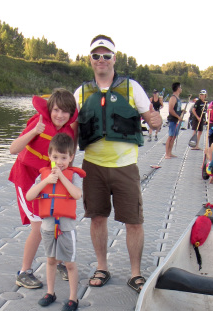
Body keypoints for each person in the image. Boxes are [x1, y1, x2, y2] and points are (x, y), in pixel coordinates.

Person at [74, 35, 162, 293]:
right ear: (90, 59)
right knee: (97, 218)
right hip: (93, 166)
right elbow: (66, 126)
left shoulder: (132, 87)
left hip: (125, 167)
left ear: (115, 58)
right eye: (96, 56)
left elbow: (153, 119)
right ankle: (102, 267)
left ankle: (135, 274)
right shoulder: (81, 92)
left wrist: (156, 121)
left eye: (106, 55)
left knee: (134, 221)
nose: (101, 60)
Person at [8, 89, 79, 290]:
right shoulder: (38, 123)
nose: (59, 115)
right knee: (38, 226)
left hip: (48, 180)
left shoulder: (67, 132)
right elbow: (13, 149)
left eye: (65, 112)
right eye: (56, 110)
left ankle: (57, 262)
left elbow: (67, 158)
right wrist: (34, 131)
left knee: (55, 220)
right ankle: (24, 272)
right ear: (50, 110)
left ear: (71, 114)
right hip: (26, 179)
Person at [24, 133, 85, 311]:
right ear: (50, 155)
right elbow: (29, 196)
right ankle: (50, 292)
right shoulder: (44, 175)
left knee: (70, 263)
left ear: (71, 157)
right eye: (56, 157)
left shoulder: (73, 176)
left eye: (64, 158)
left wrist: (62, 177)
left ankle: (73, 297)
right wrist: (46, 181)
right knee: (50, 261)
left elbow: (76, 194)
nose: (59, 162)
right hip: (48, 226)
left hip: (66, 228)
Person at [164, 82, 185, 160]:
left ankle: (170, 152)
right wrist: (178, 117)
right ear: (178, 88)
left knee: (174, 136)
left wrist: (182, 112)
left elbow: (177, 109)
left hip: (177, 119)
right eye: (180, 87)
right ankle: (167, 154)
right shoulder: (173, 98)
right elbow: (171, 110)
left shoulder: (178, 98)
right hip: (173, 120)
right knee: (170, 136)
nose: (181, 89)